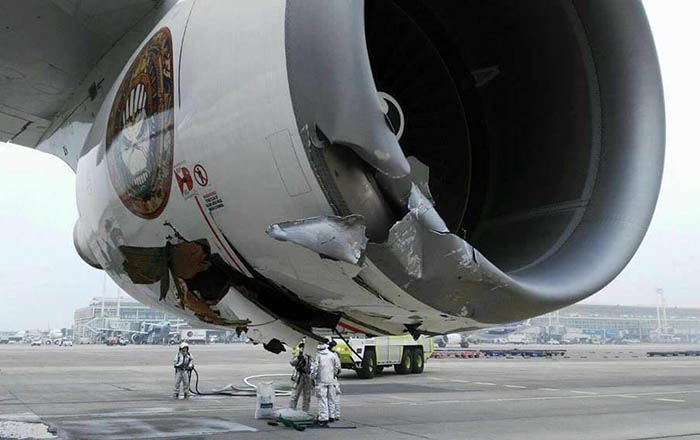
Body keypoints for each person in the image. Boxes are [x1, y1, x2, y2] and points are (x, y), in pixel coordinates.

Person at [311, 341, 341, 426]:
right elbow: (337, 367)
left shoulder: (318, 356)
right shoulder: (332, 355)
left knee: (322, 399)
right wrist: (333, 375)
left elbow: (314, 368)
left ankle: (323, 418)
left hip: (321, 380)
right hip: (331, 380)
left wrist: (312, 378)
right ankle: (332, 415)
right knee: (332, 398)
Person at [289, 341, 313, 412]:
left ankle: (305, 411)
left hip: (307, 376)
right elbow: (292, 362)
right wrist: (299, 357)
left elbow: (314, 364)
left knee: (307, 396)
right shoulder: (298, 354)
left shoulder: (311, 355)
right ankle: (291, 411)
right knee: (295, 395)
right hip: (299, 376)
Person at [327, 340, 342, 422]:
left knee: (330, 397)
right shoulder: (335, 354)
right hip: (333, 378)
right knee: (335, 397)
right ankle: (336, 414)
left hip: (330, 378)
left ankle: (331, 415)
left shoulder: (330, 355)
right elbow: (338, 368)